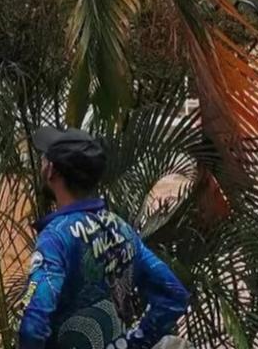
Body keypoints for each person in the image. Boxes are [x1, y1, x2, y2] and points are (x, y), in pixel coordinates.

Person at [19, 127, 190, 349]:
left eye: (44, 158)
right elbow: (174, 294)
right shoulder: (121, 228)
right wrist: (135, 342)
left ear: (51, 170)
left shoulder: (56, 237)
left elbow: (34, 322)